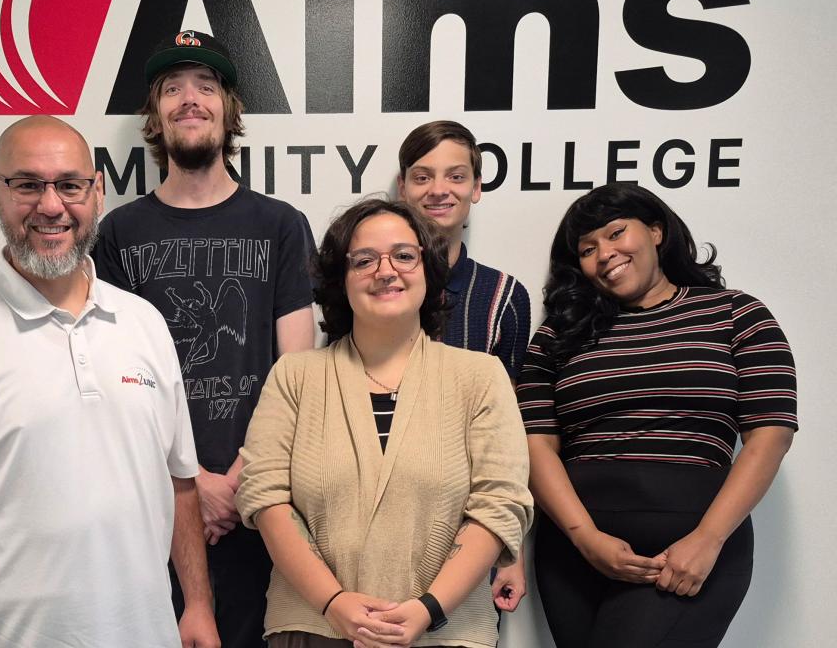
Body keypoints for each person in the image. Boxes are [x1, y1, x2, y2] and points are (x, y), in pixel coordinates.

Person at [0, 116, 219, 648]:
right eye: (28, 185)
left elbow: (178, 481)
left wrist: (197, 605)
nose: (52, 206)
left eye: (70, 185)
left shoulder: (144, 322)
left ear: (98, 192)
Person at [94, 29, 316, 647]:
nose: (189, 99)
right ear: (155, 114)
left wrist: (239, 479)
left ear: (228, 108)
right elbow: (112, 377)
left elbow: (296, 374)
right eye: (172, 88)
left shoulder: (279, 225)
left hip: (259, 501)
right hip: (154, 503)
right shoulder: (119, 234)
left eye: (206, 85)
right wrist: (189, 484)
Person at [236, 198, 533, 648]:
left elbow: (500, 505)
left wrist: (427, 609)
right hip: (314, 626)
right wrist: (334, 602)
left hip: (447, 632)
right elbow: (265, 498)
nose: (386, 270)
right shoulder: (295, 376)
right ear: (340, 279)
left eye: (404, 255)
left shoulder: (480, 377)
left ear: (428, 270)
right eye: (364, 260)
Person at [518, 183, 796, 648]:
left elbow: (771, 434)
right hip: (573, 555)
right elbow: (535, 442)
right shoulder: (558, 334)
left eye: (615, 233)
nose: (604, 254)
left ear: (655, 230)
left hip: (688, 550)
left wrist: (707, 540)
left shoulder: (735, 313)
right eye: (587, 249)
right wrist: (586, 539)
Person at [396, 120, 531, 616]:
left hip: (470, 534)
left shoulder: (501, 298)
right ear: (402, 187)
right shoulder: (367, 286)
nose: (438, 190)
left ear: (476, 188)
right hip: (371, 526)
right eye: (422, 176)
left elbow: (511, 439)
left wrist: (512, 551)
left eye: (455, 176)